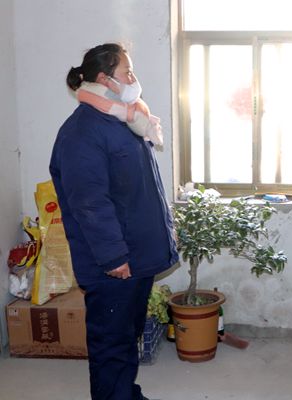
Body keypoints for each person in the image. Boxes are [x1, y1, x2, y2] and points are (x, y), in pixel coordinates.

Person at [49, 43, 179, 400]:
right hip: (114, 265)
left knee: (126, 336)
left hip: (136, 257)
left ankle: (126, 393)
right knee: (111, 344)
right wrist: (113, 258)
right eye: (127, 72)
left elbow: (139, 190)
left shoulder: (124, 121)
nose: (134, 79)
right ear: (105, 79)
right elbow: (89, 203)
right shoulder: (83, 131)